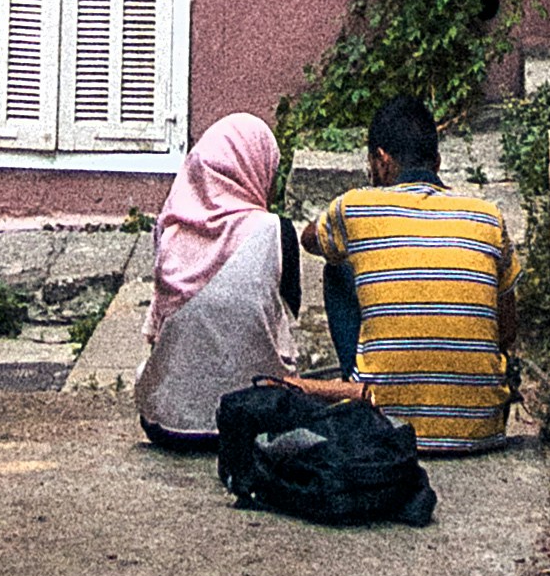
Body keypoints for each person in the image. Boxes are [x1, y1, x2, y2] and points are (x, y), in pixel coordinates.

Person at [304, 93, 517, 452]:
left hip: (383, 425)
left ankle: (362, 384)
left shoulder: (355, 207)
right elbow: (507, 330)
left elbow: (309, 239)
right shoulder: (487, 217)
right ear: (438, 161)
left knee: (337, 267)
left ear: (382, 161)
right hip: (481, 429)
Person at [136, 109, 303, 452]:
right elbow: (292, 307)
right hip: (259, 423)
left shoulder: (169, 230)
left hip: (169, 425)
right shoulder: (277, 231)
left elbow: (160, 330)